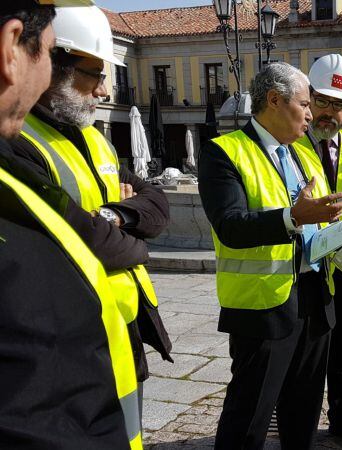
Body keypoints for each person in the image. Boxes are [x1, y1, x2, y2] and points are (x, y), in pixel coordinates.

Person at [9, 4, 173, 412]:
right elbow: (83, 237)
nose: (104, 90)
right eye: (96, 75)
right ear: (53, 63)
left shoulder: (96, 139)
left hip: (122, 326)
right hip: (72, 333)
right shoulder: (18, 141)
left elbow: (157, 204)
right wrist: (129, 238)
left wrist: (114, 216)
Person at [198, 62, 342, 450]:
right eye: (304, 104)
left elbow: (314, 220)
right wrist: (295, 216)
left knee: (303, 414)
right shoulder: (224, 152)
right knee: (249, 417)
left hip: (316, 298)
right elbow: (230, 225)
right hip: (263, 306)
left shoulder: (303, 154)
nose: (312, 114)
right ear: (274, 101)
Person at [292, 53, 342, 445]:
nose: (328, 113)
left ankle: (340, 417)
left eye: (339, 105)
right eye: (321, 101)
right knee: (303, 355)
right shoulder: (290, 145)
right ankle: (294, 423)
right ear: (308, 98)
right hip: (303, 270)